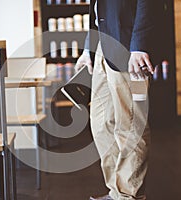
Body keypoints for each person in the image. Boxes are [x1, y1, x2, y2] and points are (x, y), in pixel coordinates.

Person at [75, 0, 160, 199]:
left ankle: (128, 195)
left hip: (131, 51)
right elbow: (100, 12)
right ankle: (116, 192)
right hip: (103, 50)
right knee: (101, 123)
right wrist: (89, 49)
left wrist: (140, 46)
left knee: (131, 125)